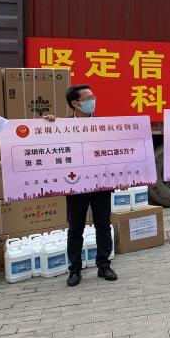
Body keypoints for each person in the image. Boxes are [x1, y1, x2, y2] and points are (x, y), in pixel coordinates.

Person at [44, 85, 117, 287]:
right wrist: (49, 124)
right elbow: (46, 144)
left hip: (101, 185)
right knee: (76, 228)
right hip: (75, 186)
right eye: (88, 98)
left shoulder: (103, 125)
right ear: (75, 103)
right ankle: (74, 270)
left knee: (103, 226)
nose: (93, 100)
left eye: (93, 96)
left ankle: (104, 266)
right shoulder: (62, 126)